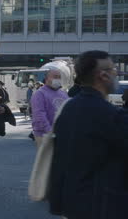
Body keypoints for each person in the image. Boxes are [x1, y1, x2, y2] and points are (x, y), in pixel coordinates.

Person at [49, 51, 128, 219]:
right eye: (113, 69)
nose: (116, 73)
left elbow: (60, 159)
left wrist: (58, 203)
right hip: (103, 205)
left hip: (73, 202)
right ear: (103, 75)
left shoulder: (68, 109)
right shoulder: (110, 115)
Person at [30, 68, 69, 148]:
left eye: (59, 77)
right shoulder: (40, 94)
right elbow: (39, 114)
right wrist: (49, 131)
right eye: (55, 77)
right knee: (47, 160)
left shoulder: (63, 93)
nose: (57, 79)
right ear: (47, 78)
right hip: (44, 135)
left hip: (62, 134)